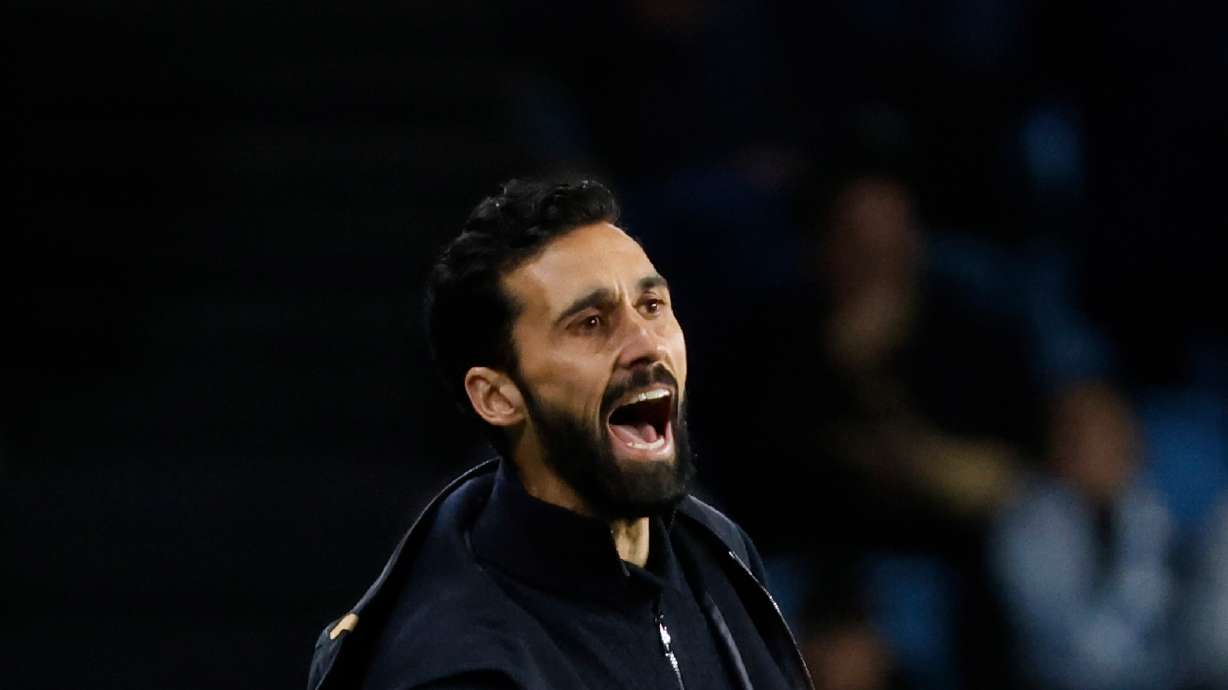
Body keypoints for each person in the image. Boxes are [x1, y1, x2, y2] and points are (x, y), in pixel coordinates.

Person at [307, 179, 813, 690]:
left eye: (653, 306)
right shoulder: (458, 664)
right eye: (591, 323)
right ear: (497, 397)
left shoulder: (717, 550)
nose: (645, 344)